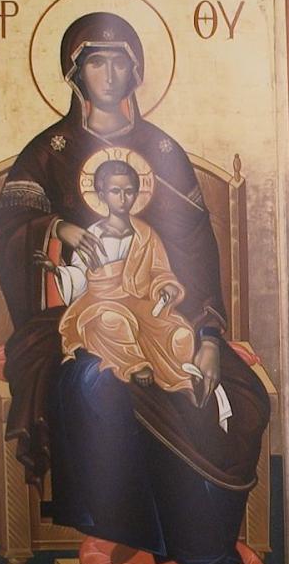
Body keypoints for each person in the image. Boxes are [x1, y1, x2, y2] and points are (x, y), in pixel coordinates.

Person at [0, 11, 269, 564]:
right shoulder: (49, 150)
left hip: (166, 316)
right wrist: (57, 230)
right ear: (75, 74)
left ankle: (204, 547)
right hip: (77, 313)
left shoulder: (162, 153)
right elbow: (8, 230)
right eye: (96, 61)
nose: (110, 73)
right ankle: (124, 533)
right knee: (95, 384)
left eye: (121, 61)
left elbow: (195, 252)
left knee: (242, 397)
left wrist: (208, 335)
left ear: (137, 71)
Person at [36, 160, 207, 399]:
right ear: (102, 195)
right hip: (99, 303)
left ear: (137, 194)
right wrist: (56, 271)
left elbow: (160, 272)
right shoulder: (92, 235)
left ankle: (180, 380)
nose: (122, 198)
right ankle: (135, 364)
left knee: (181, 334)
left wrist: (166, 287)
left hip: (141, 305)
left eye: (128, 191)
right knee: (112, 321)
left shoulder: (146, 236)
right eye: (115, 191)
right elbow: (80, 277)